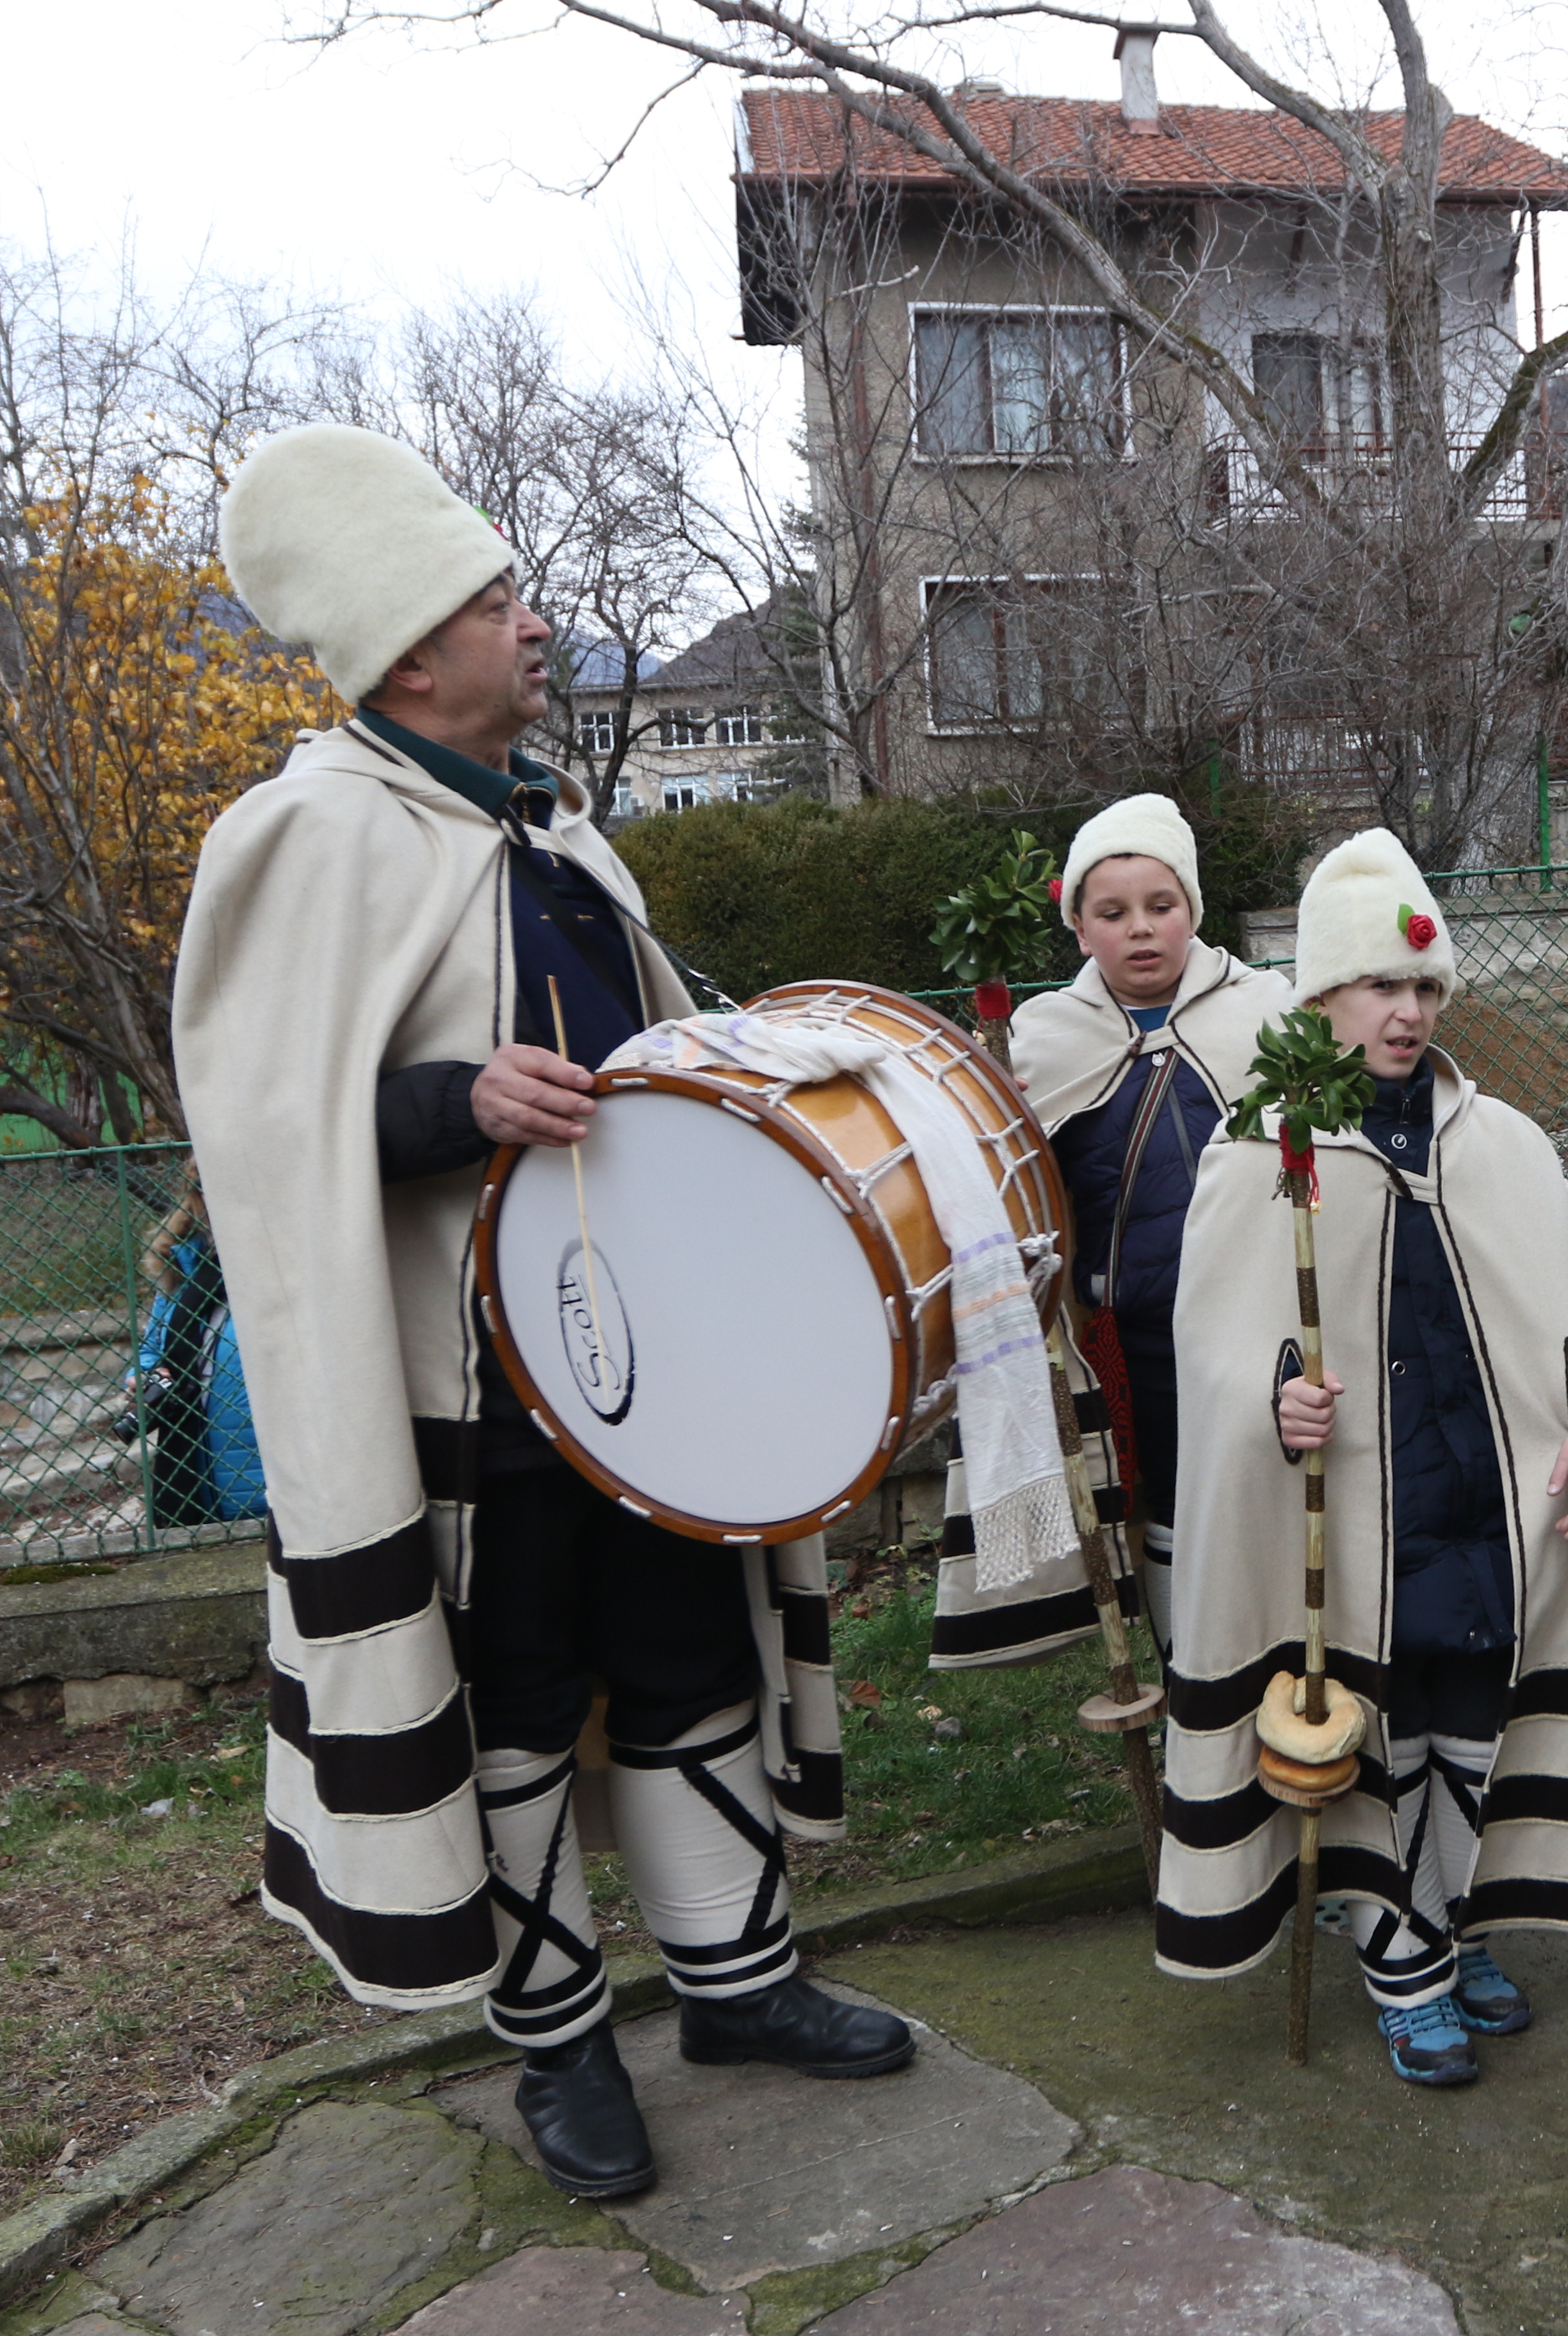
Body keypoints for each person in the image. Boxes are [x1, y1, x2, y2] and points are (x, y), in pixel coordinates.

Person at [175, 426, 904, 2204]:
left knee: (684, 1663)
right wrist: (453, 1106)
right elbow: (258, 1135)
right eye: (499, 602)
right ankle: (560, 2044)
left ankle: (738, 1988)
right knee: (511, 1708)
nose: (535, 622)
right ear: (412, 655)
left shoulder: (559, 840)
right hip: (473, 1392)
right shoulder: (307, 838)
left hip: (640, 1381)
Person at [1152, 830, 1568, 2086]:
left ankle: (1458, 1919)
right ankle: (1404, 1955)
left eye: (1425, 988)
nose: (1407, 1011)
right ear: (1322, 994)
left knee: (1477, 1706)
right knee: (1391, 1719)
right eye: (1381, 986)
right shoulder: (1264, 1151)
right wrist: (1277, 1399)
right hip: (1363, 1512)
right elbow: (1215, 1339)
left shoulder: (1500, 1144)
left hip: (1486, 1493)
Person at [945, 793, 1289, 1662]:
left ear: (1193, 913)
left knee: (1267, 1492)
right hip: (1135, 1337)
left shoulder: (1269, 1013)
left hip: (1262, 1324)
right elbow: (1012, 1189)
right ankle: (1191, 1679)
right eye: (1113, 912)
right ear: (1081, 930)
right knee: (1169, 1503)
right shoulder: (1040, 1040)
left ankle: (1282, 1654)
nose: (1141, 929)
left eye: (1160, 906)